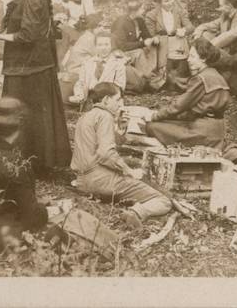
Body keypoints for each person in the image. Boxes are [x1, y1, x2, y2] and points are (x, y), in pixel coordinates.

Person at [0, 0, 71, 174]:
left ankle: (28, 164)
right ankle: (35, 162)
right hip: (33, 66)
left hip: (29, 69)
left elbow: (27, 35)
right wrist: (0, 29)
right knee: (33, 116)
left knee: (23, 114)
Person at [71, 82, 172, 229]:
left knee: (132, 179)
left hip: (82, 180)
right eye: (117, 99)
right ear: (106, 100)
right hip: (100, 181)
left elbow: (102, 144)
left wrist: (121, 127)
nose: (121, 104)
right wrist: (129, 171)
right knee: (163, 201)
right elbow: (105, 154)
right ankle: (136, 212)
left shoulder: (86, 116)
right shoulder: (104, 116)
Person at [0, 97, 49, 232]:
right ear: (19, 127)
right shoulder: (17, 166)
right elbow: (31, 217)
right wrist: (43, 210)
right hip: (7, 228)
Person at [144, 38, 231, 150]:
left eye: (193, 56)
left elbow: (178, 107)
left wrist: (154, 116)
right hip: (218, 131)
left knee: (152, 127)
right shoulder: (217, 75)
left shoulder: (200, 79)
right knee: (168, 122)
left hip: (202, 133)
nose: (188, 60)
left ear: (203, 58)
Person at [145, 0, 194, 90]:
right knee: (167, 65)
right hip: (162, 44)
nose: (170, 2)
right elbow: (150, 34)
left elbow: (190, 27)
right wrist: (156, 38)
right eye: (166, 1)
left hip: (178, 41)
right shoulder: (152, 15)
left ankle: (181, 80)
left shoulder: (179, 11)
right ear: (159, 3)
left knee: (181, 54)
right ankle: (168, 80)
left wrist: (184, 30)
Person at [111, 0, 159, 93]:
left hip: (133, 48)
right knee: (139, 52)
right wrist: (142, 43)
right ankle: (146, 81)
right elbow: (122, 46)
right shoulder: (121, 22)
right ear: (134, 11)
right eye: (142, 8)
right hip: (120, 53)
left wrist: (153, 39)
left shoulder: (139, 20)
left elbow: (146, 35)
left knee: (153, 46)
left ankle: (154, 76)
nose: (144, 10)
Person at [69, 30, 126, 105]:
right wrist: (79, 94)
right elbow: (81, 82)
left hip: (110, 102)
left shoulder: (118, 64)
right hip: (90, 101)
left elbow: (120, 87)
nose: (103, 48)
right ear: (95, 46)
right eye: (100, 45)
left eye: (106, 44)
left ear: (111, 46)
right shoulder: (87, 63)